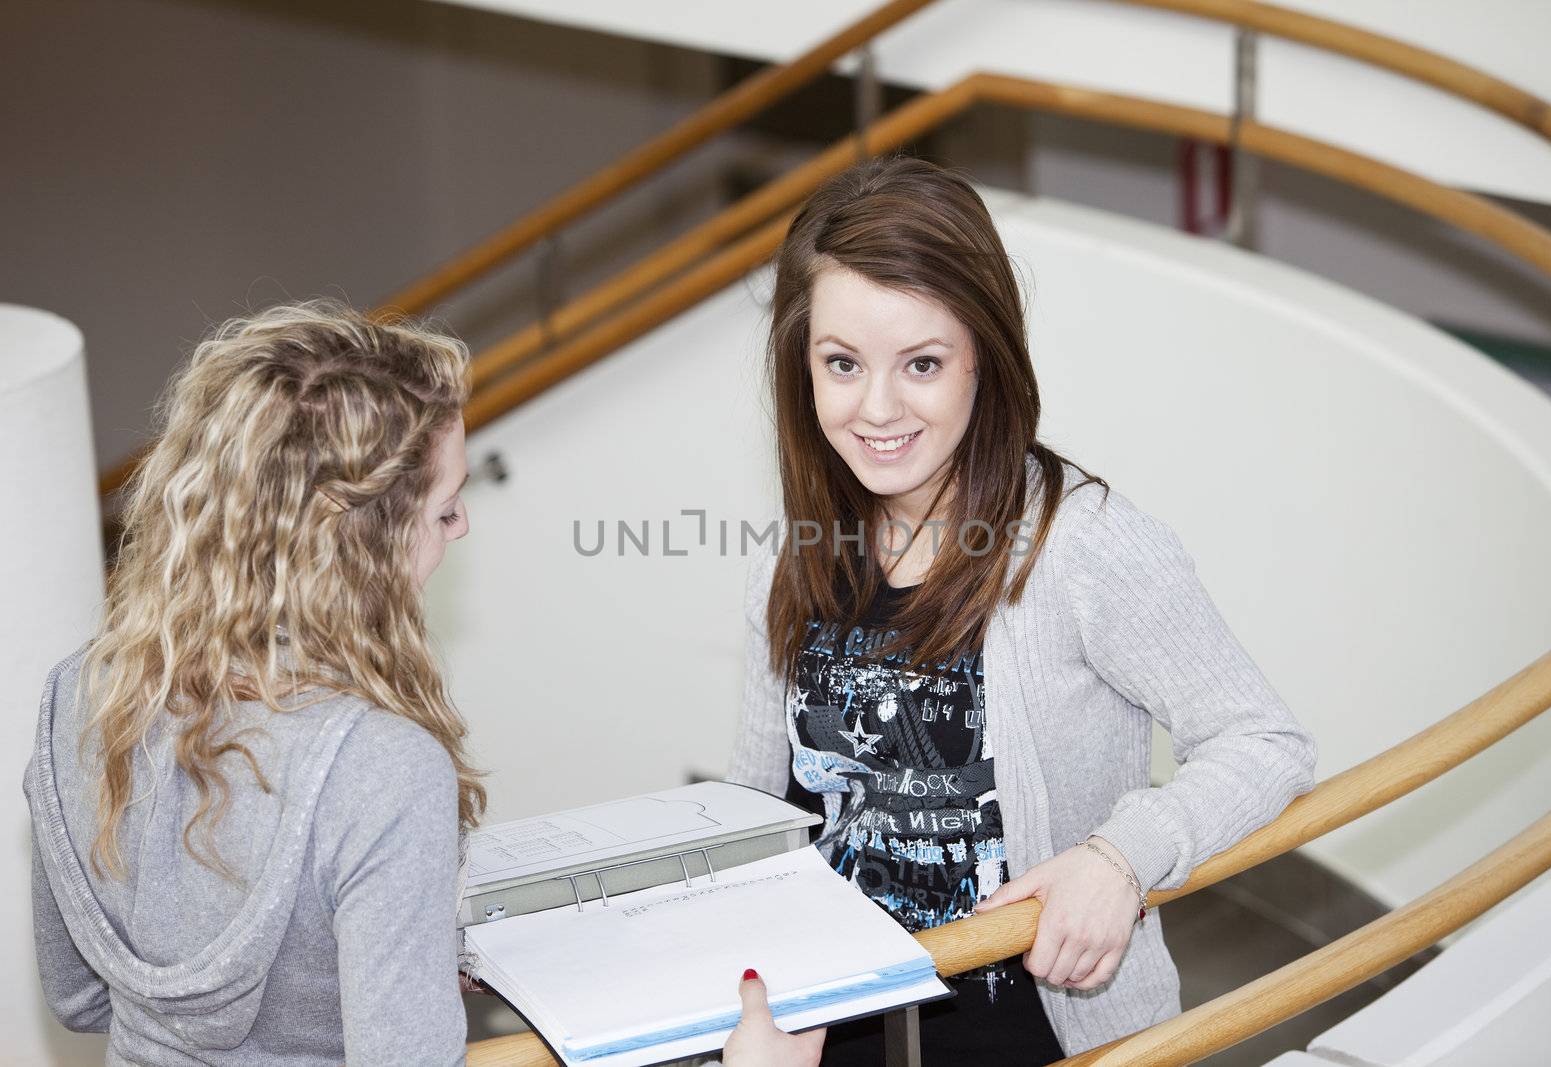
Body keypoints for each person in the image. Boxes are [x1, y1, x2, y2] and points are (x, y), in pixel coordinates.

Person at [25, 302, 822, 1066]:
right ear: (359, 547)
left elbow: (81, 999)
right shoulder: (378, 766)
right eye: (444, 511)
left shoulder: (78, 694)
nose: (463, 525)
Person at [728, 156, 1319, 1063]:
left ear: (985, 359)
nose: (876, 408)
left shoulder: (1083, 544)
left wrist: (1120, 857)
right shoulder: (809, 544)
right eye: (841, 363)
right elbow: (765, 806)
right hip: (827, 1024)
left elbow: (1264, 741)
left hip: (1031, 1030)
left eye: (922, 362)